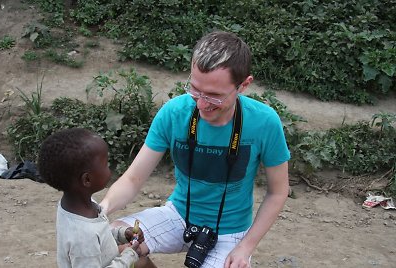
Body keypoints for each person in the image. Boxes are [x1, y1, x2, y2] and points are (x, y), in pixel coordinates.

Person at [100, 31, 290, 268]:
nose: (201, 104)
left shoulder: (264, 122)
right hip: (178, 215)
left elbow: (278, 192)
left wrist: (245, 247)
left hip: (230, 232)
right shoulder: (174, 112)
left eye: (214, 96)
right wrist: (102, 209)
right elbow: (133, 179)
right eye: (195, 90)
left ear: (243, 85)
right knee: (110, 240)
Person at [38, 128, 155, 268]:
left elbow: (100, 236)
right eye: (105, 164)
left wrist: (123, 234)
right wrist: (129, 254)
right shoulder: (83, 236)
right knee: (141, 261)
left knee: (143, 262)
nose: (109, 167)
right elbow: (91, 238)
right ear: (87, 179)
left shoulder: (80, 205)